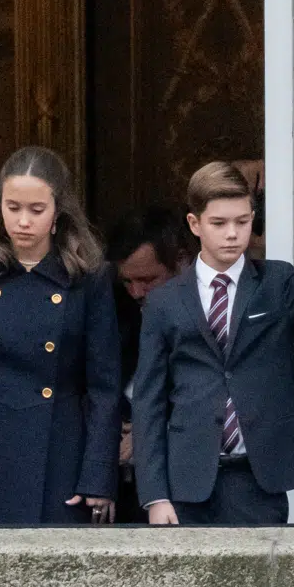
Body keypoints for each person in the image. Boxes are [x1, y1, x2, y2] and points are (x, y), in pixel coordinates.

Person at [133, 162, 294, 525]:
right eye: (219, 223)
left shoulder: (277, 284)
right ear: (194, 224)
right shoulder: (164, 302)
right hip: (186, 481)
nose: (232, 234)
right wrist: (155, 496)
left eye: (243, 221)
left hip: (258, 480)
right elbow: (149, 402)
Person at [0, 146, 120, 525]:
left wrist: (98, 474)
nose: (23, 221)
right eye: (13, 207)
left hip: (59, 452)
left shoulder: (88, 277)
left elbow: (104, 387)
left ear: (57, 212)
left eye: (36, 209)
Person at [104, 205, 193, 522]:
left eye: (148, 279)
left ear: (182, 261)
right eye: (127, 281)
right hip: (120, 493)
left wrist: (149, 433)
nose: (136, 292)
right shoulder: (116, 312)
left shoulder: (211, 312)